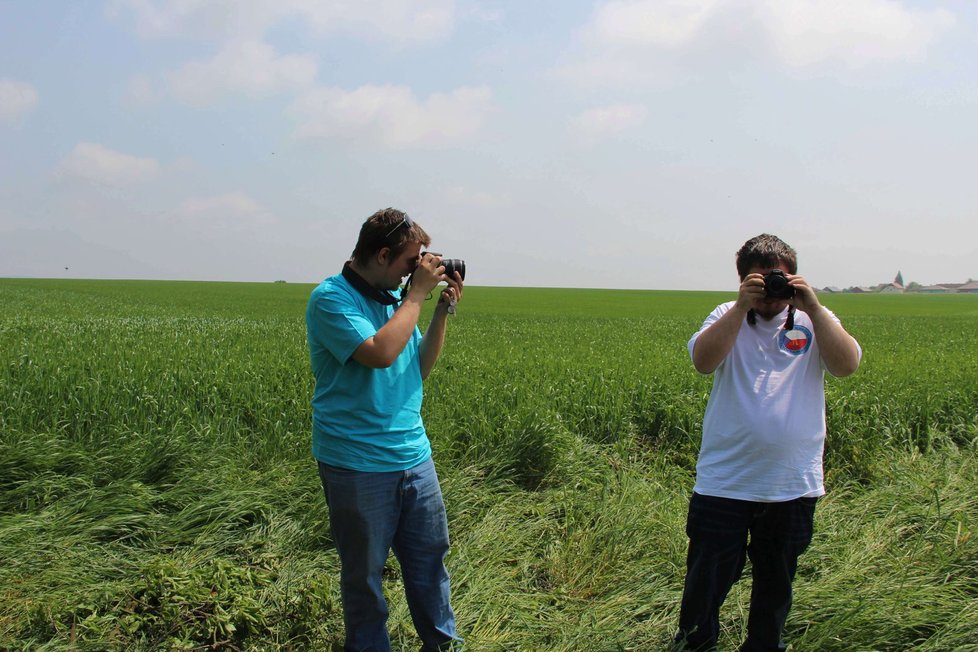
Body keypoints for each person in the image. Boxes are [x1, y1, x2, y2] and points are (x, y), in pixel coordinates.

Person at [674, 234, 862, 652]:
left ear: (792, 276)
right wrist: (742, 306)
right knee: (705, 581)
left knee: (776, 585)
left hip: (791, 483)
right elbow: (703, 363)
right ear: (742, 280)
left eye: (779, 279)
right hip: (726, 481)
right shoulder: (727, 313)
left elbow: (846, 366)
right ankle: (694, 644)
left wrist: (811, 305)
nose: (771, 292)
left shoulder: (815, 318)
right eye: (759, 281)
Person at [306, 207, 464, 651]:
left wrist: (439, 312)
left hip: (414, 455)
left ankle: (443, 645)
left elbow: (418, 369)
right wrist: (415, 296)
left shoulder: (396, 301)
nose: (412, 273)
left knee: (430, 564)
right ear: (380, 255)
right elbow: (378, 353)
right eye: (409, 262)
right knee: (365, 576)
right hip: (356, 463)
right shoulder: (331, 299)